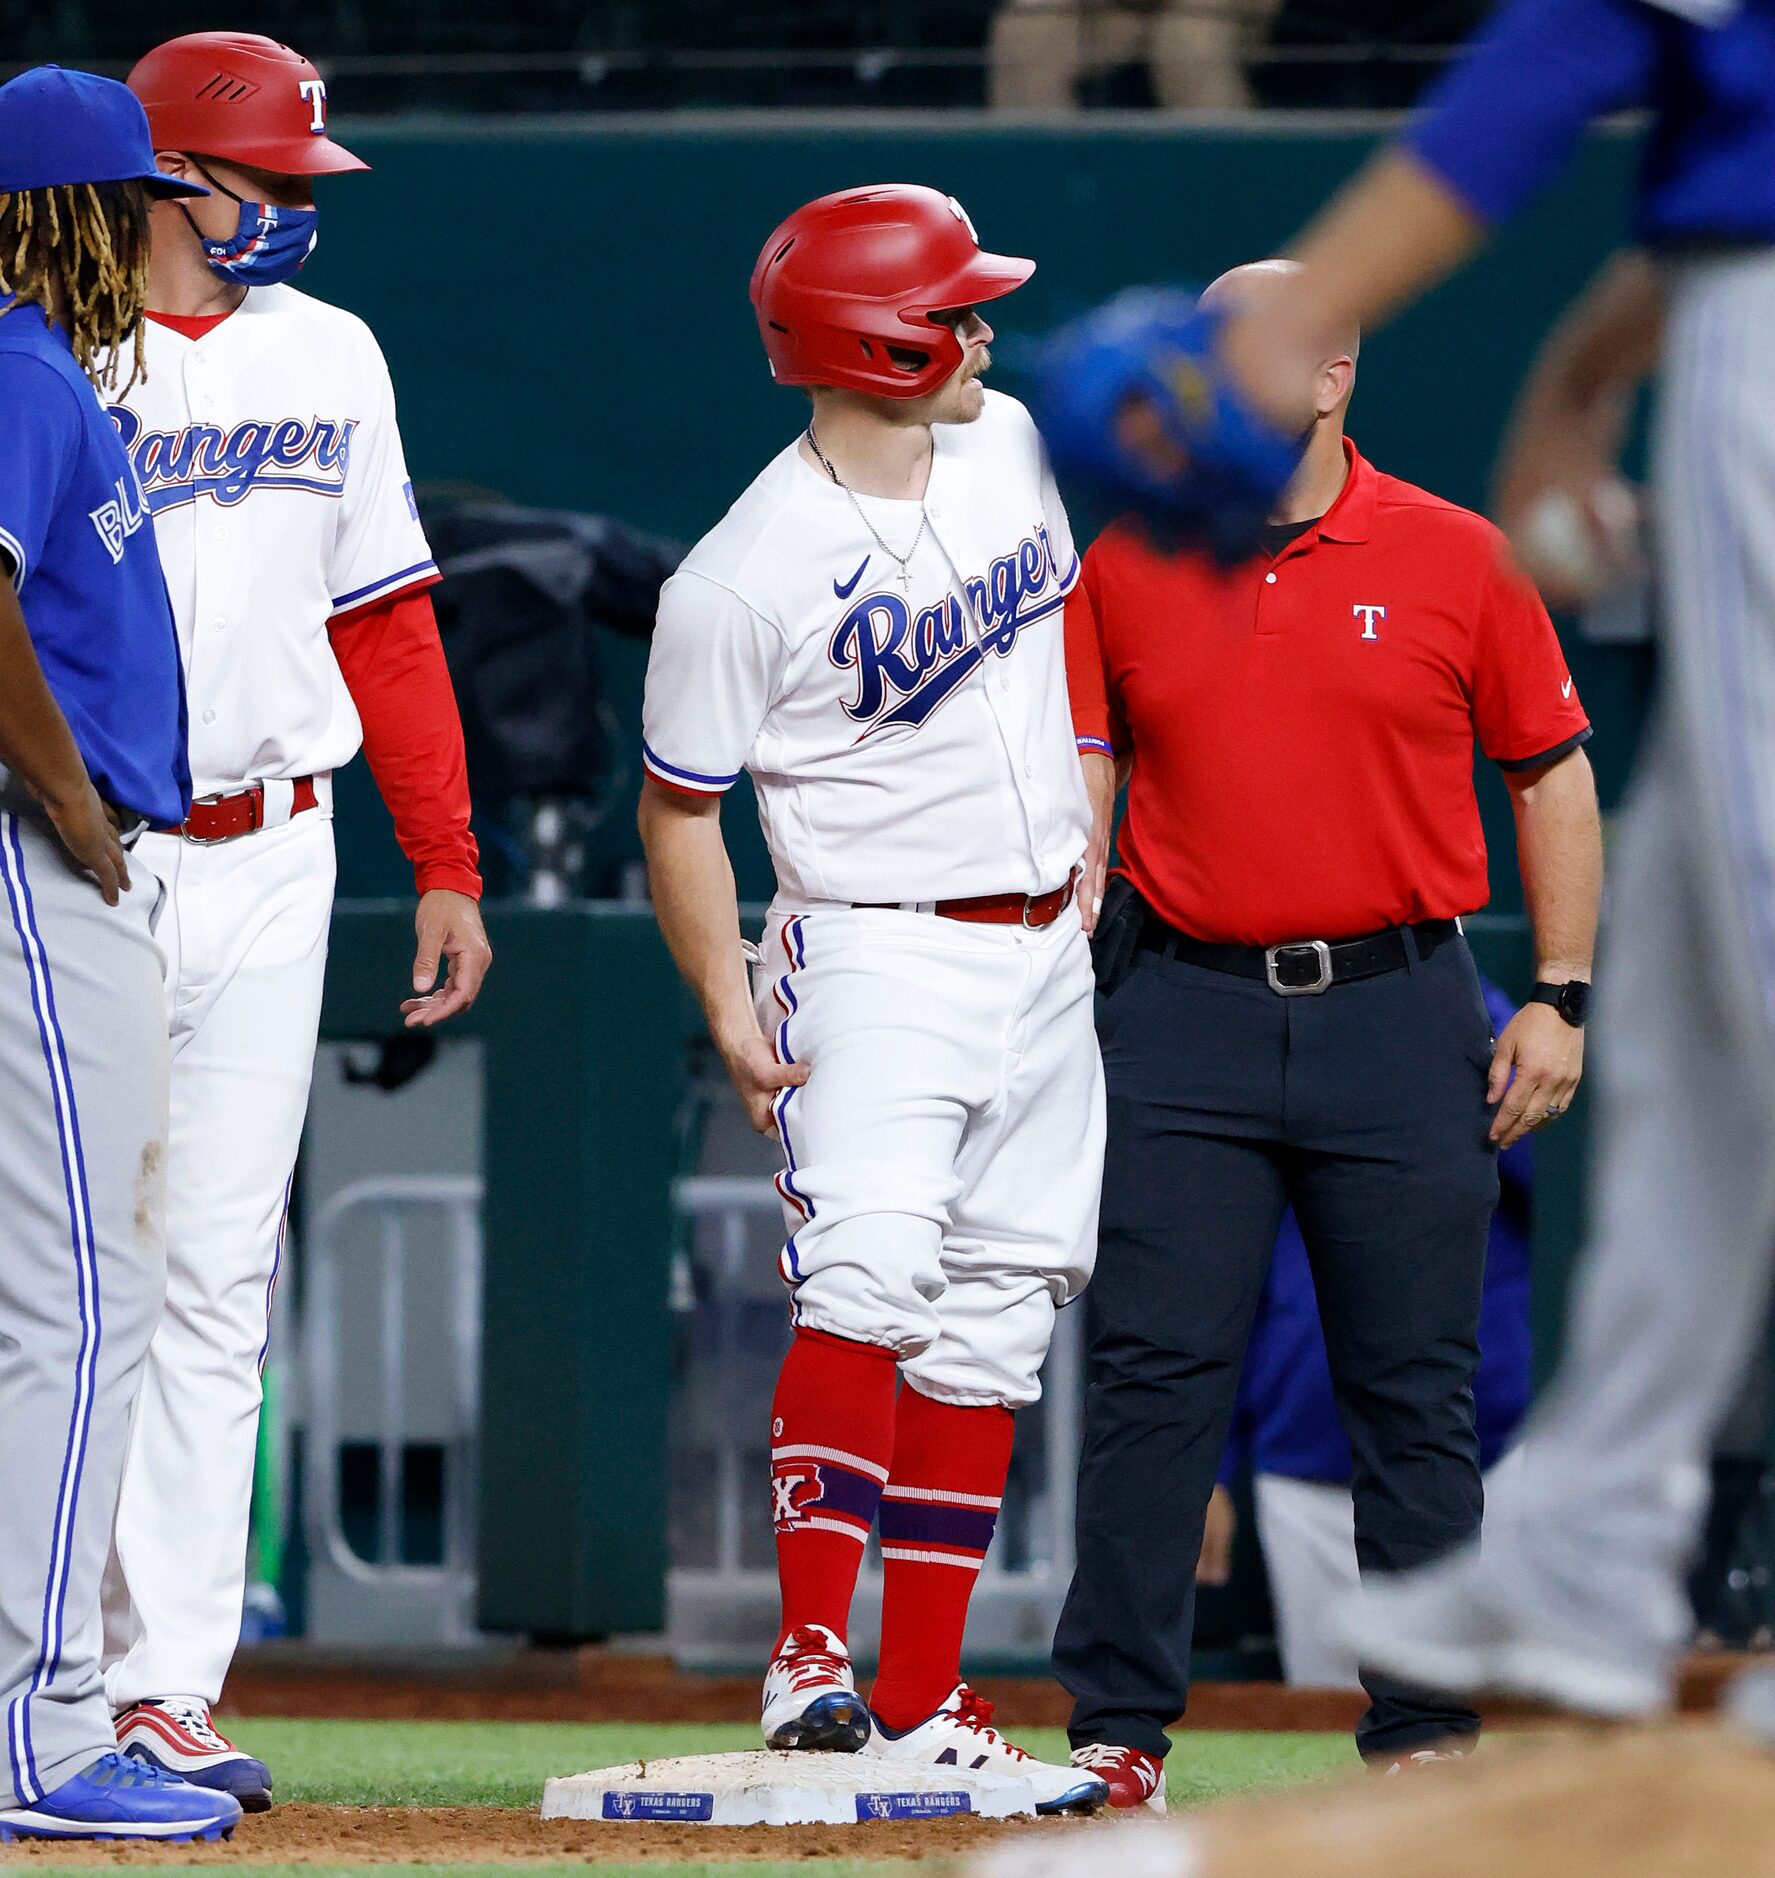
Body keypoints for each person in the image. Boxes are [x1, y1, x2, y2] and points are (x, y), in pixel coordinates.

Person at [1139, 0, 1775, 1723]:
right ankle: (1589, 1530)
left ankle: (1585, 1535)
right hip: (1721, 297)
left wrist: (1298, 324)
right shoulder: (1142, 566)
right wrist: (1584, 373)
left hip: (1755, 338)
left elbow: (1551, 67)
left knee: (1751, 967)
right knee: (1712, 988)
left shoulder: (1440, 546)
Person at [1051, 259, 1603, 1807]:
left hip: (1399, 1005)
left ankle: (1422, 1735)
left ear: (1327, 379)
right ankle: (1115, 1736)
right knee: (1154, 1375)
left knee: (1409, 1387)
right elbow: (1084, 775)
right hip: (1177, 1005)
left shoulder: (1454, 554)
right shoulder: (1124, 554)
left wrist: (1557, 994)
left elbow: (1550, 774)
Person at [638, 184, 1107, 1813]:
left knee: (992, 1323)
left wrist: (1094, 795)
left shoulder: (1016, 445)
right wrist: (721, 992)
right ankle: (810, 1657)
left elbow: (1069, 645)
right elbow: (679, 806)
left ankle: (919, 1698)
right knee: (871, 1273)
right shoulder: (743, 573)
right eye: (956, 307)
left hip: (1049, 943)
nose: (984, 328)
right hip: (879, 940)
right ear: (875, 337)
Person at [97, 33, 491, 1813]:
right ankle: (48, 1667)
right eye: (268, 179)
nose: (294, 211)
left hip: (275, 847)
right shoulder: (46, 349)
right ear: (171, 175)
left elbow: (391, 626)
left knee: (216, 1278)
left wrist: (450, 859)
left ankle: (164, 1684)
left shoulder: (333, 352)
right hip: (79, 851)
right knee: (61, 1276)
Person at [0, 65, 241, 1844]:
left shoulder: (44, 366)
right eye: (144, 193)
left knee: (81, 1307)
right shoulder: (15, 359)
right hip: (38, 860)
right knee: (76, 1310)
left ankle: (65, 1695)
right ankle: (36, 1722)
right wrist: (75, 807)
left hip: (66, 859)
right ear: (75, 205)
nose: (173, 218)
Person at [1210, 984, 1534, 1689]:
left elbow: (1559, 1185)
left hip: (1490, 1445)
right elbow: (1222, 1286)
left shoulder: (1483, 1017)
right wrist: (1214, 1471)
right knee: (1326, 1716)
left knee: (1501, 1716)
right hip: (1304, 1448)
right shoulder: (1250, 1020)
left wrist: (1443, 1067)